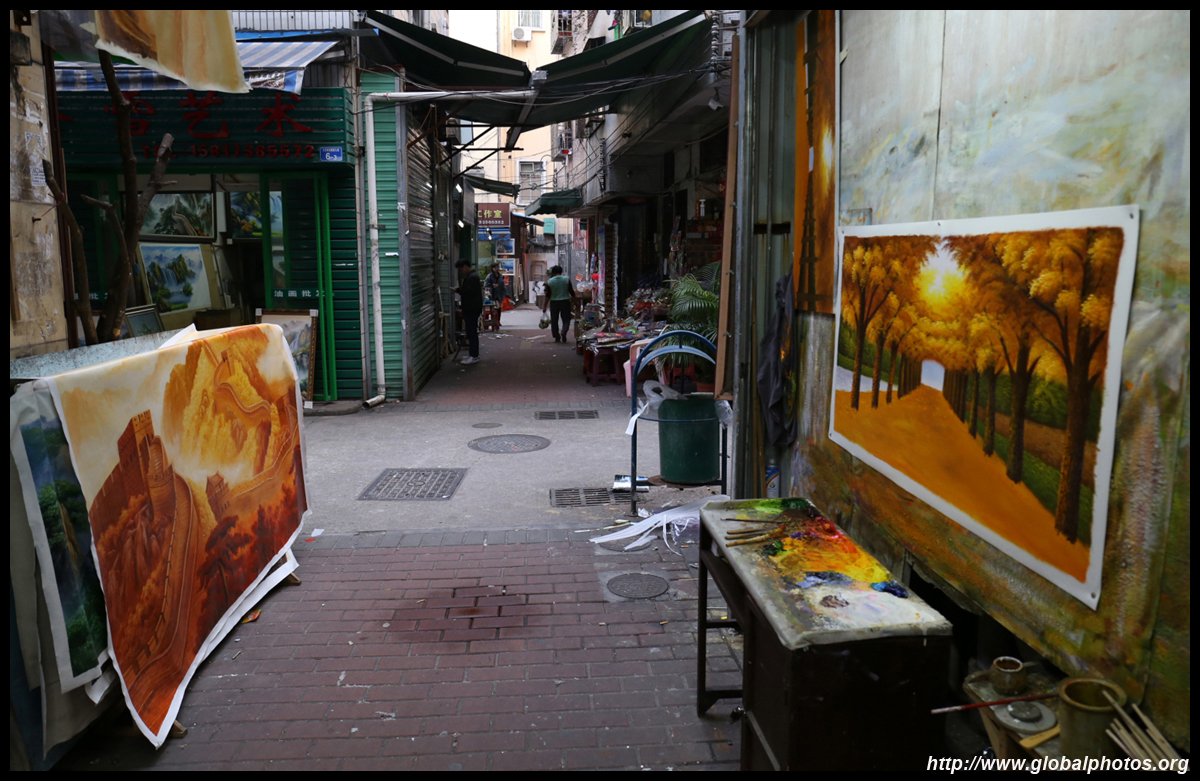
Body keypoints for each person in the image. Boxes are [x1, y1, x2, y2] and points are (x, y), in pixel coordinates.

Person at [454, 259, 483, 364]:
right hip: (472, 309)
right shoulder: (472, 277)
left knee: (471, 332)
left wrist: (458, 290)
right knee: (471, 332)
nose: (461, 272)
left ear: (466, 266)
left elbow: (468, 293)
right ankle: (473, 355)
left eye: (461, 269)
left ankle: (474, 356)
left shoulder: (472, 278)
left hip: (472, 309)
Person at [541, 265, 577, 343]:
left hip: (554, 302)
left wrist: (545, 306)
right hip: (565, 301)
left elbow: (548, 295)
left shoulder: (550, 281)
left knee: (554, 320)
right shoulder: (566, 279)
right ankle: (564, 331)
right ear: (561, 271)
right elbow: (571, 292)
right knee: (566, 319)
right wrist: (575, 302)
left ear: (553, 272)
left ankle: (556, 336)